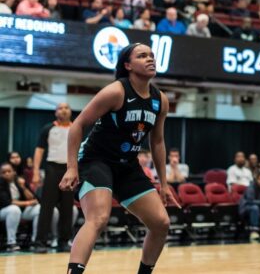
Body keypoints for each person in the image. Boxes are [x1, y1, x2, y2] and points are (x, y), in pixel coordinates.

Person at [59, 43, 179, 274]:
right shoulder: (116, 91)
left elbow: (157, 142)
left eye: (151, 55)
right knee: (99, 217)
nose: (150, 59)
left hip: (127, 164)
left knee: (161, 223)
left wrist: (164, 184)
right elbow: (78, 125)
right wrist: (72, 168)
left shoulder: (160, 100)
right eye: (142, 56)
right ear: (128, 65)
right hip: (96, 160)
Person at [31, 102, 75, 253]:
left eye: (66, 108)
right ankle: (40, 242)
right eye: (60, 108)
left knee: (67, 207)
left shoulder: (76, 127)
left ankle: (64, 242)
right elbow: (39, 150)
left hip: (70, 170)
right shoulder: (48, 128)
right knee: (47, 207)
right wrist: (36, 171)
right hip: (52, 168)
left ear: (70, 111)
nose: (63, 110)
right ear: (56, 112)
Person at [0, 162, 41, 252]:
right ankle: (11, 242)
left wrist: (23, 187)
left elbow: (33, 197)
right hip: (4, 210)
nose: (7, 173)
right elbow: (8, 202)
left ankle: (35, 241)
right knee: (14, 209)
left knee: (39, 208)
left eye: (9, 171)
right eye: (3, 172)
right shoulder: (1, 184)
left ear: (14, 172)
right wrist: (28, 203)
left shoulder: (19, 182)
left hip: (20, 211)